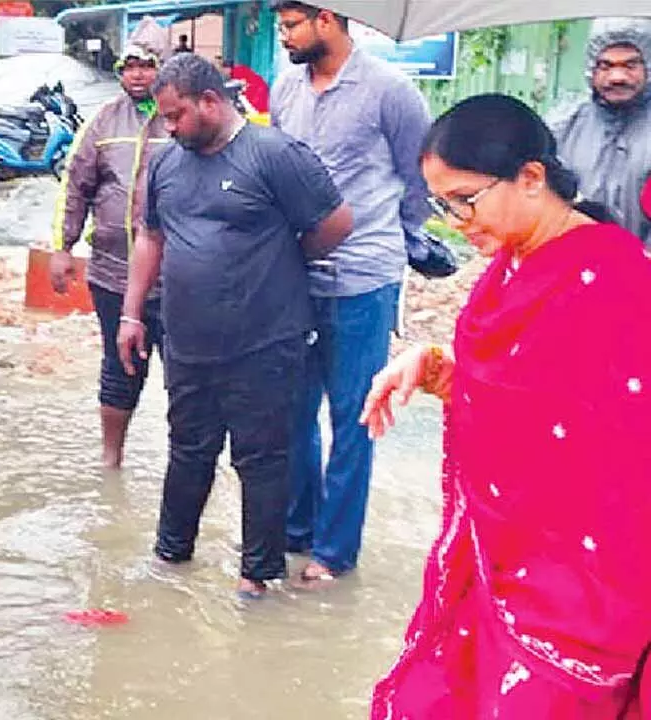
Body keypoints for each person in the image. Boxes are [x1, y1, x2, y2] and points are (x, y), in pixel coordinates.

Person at [363, 93, 651, 719]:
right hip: (500, 557)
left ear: (531, 177)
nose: (457, 220)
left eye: (466, 198)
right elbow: (521, 390)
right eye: (443, 205)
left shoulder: (613, 277)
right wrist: (440, 367)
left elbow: (619, 432)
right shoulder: (513, 264)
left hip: (581, 576)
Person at [117, 53, 353, 598]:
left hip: (265, 340)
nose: (169, 127)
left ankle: (258, 578)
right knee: (188, 448)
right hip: (188, 339)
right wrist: (133, 312)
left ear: (210, 101)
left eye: (176, 115)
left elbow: (335, 223)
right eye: (163, 118)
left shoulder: (275, 155)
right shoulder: (167, 164)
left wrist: (274, 262)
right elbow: (152, 236)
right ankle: (170, 560)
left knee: (262, 457)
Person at [269, 1, 432, 587]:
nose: (283, 36)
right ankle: (295, 532)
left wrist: (400, 240)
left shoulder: (391, 92)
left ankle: (335, 553)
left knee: (353, 415)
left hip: (365, 278)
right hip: (297, 276)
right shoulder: (285, 90)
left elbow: (420, 181)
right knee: (290, 411)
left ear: (329, 19)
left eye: (291, 25)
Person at [50, 18, 170, 469]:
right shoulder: (102, 121)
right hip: (112, 272)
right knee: (119, 365)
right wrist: (63, 248)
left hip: (176, 277)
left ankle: (186, 462)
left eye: (147, 66)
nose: (137, 75)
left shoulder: (181, 119)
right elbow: (75, 185)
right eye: (130, 66)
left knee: (186, 375)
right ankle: (110, 459)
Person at [554, 17, 651, 246]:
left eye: (630, 65)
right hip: (573, 267)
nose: (617, 77)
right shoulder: (563, 127)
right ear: (591, 68)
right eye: (606, 66)